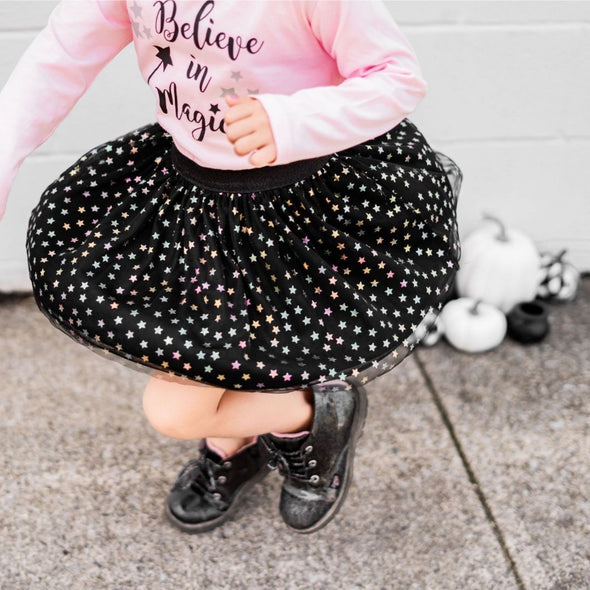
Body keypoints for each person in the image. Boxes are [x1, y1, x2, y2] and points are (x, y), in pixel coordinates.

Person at [0, 0, 461, 534]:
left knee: (179, 407)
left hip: (304, 200)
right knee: (215, 346)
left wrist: (292, 120)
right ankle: (241, 440)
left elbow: (396, 76)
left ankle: (311, 414)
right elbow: (60, 55)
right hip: (196, 198)